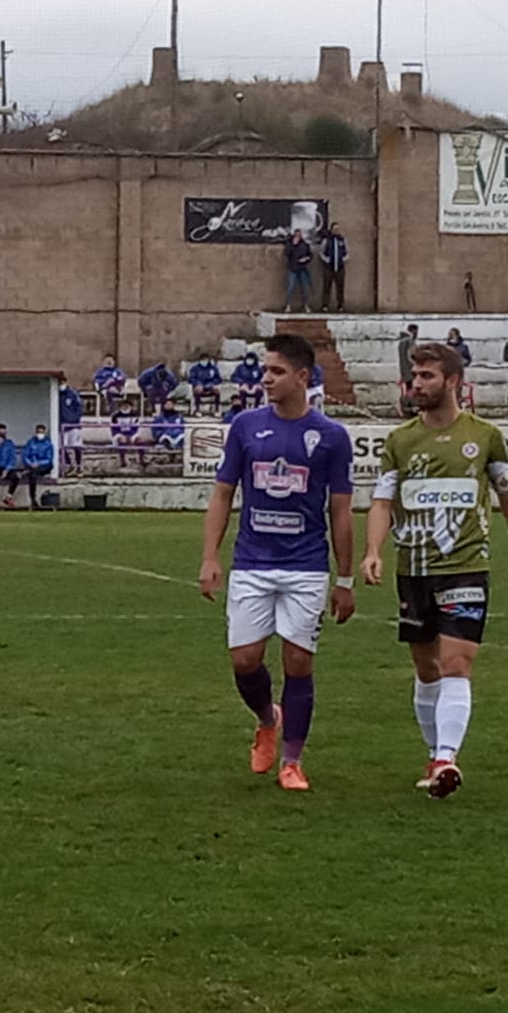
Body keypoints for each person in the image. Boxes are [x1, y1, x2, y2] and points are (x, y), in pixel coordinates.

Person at [361, 342, 508, 799]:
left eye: (426, 376)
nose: (416, 384)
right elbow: (383, 500)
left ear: (453, 382)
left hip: (466, 565)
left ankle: (446, 758)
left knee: (457, 664)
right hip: (415, 568)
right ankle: (435, 753)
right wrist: (373, 550)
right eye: (414, 376)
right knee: (426, 671)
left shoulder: (484, 436)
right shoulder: (400, 440)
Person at [198, 333, 355, 793]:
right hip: (252, 562)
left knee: (298, 663)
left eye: (276, 371)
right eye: (265, 370)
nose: (265, 378)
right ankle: (268, 720)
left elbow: (341, 510)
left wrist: (344, 579)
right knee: (245, 660)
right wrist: (210, 556)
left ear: (302, 377)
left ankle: (293, 760)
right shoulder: (246, 427)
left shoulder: (331, 437)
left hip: (306, 565)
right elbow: (223, 493)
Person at [12, 424, 55, 509]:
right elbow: (25, 455)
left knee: (33, 472)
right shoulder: (31, 442)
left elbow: (49, 459)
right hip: (32, 466)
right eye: (39, 432)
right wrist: (30, 463)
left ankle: (25, 473)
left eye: (42, 432)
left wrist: (38, 463)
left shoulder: (48, 444)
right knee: (32, 475)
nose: (40, 434)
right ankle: (33, 499)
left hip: (44, 466)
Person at [58, 375, 85, 473]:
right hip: (61, 426)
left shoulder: (72, 394)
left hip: (73, 425)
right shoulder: (56, 394)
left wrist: (74, 419)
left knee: (76, 446)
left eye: (62, 383)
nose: (61, 385)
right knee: (61, 447)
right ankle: (69, 465)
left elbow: (80, 408)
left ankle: (79, 466)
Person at [319, 223, 348, 312]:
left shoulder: (343, 240)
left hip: (340, 267)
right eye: (335, 229)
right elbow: (321, 252)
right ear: (331, 230)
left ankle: (340, 306)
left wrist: (343, 259)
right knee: (327, 287)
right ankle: (325, 306)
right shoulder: (326, 240)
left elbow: (347, 252)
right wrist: (326, 259)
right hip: (329, 268)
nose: (336, 231)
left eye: (338, 229)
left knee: (340, 287)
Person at [283, 230, 314, 313]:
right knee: (291, 286)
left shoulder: (305, 245)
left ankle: (305, 305)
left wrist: (307, 259)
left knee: (305, 287)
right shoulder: (290, 244)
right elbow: (286, 254)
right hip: (292, 269)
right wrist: (293, 245)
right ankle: (288, 305)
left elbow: (310, 255)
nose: (298, 237)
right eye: (296, 235)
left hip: (302, 269)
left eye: (299, 235)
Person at [110, 398, 141, 468]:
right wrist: (121, 435)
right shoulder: (115, 416)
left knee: (140, 440)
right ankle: (122, 460)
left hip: (131, 434)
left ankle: (141, 459)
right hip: (119, 434)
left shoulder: (134, 415)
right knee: (122, 440)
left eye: (127, 405)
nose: (125, 407)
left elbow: (135, 428)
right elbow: (114, 428)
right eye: (123, 405)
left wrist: (130, 435)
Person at [397, 324, 419, 416]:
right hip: (411, 370)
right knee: (413, 389)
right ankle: (412, 406)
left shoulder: (401, 342)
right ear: (413, 331)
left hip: (404, 370)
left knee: (408, 388)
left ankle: (407, 405)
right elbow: (412, 355)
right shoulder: (410, 341)